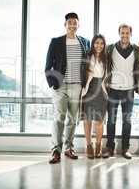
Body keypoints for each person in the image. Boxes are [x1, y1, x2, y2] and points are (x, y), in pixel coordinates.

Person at [45, 12, 90, 164]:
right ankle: (55, 150)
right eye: (69, 22)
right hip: (61, 86)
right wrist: (53, 83)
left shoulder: (85, 42)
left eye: (74, 23)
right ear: (65, 25)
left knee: (72, 119)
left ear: (78, 24)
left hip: (77, 85)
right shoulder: (56, 42)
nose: (72, 25)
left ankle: (68, 148)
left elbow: (88, 64)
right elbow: (48, 65)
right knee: (59, 118)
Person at [102, 24, 139, 159]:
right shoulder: (111, 48)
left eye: (127, 33)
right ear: (119, 34)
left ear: (131, 34)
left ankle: (125, 149)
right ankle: (109, 148)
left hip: (129, 90)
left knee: (127, 121)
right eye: (122, 33)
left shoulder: (136, 49)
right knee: (111, 120)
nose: (125, 35)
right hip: (113, 89)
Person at [81, 34, 108, 159]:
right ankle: (88, 145)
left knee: (99, 120)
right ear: (93, 44)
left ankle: (98, 145)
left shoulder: (106, 58)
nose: (99, 45)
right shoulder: (87, 56)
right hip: (88, 89)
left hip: (101, 90)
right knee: (87, 120)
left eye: (101, 43)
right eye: (96, 43)